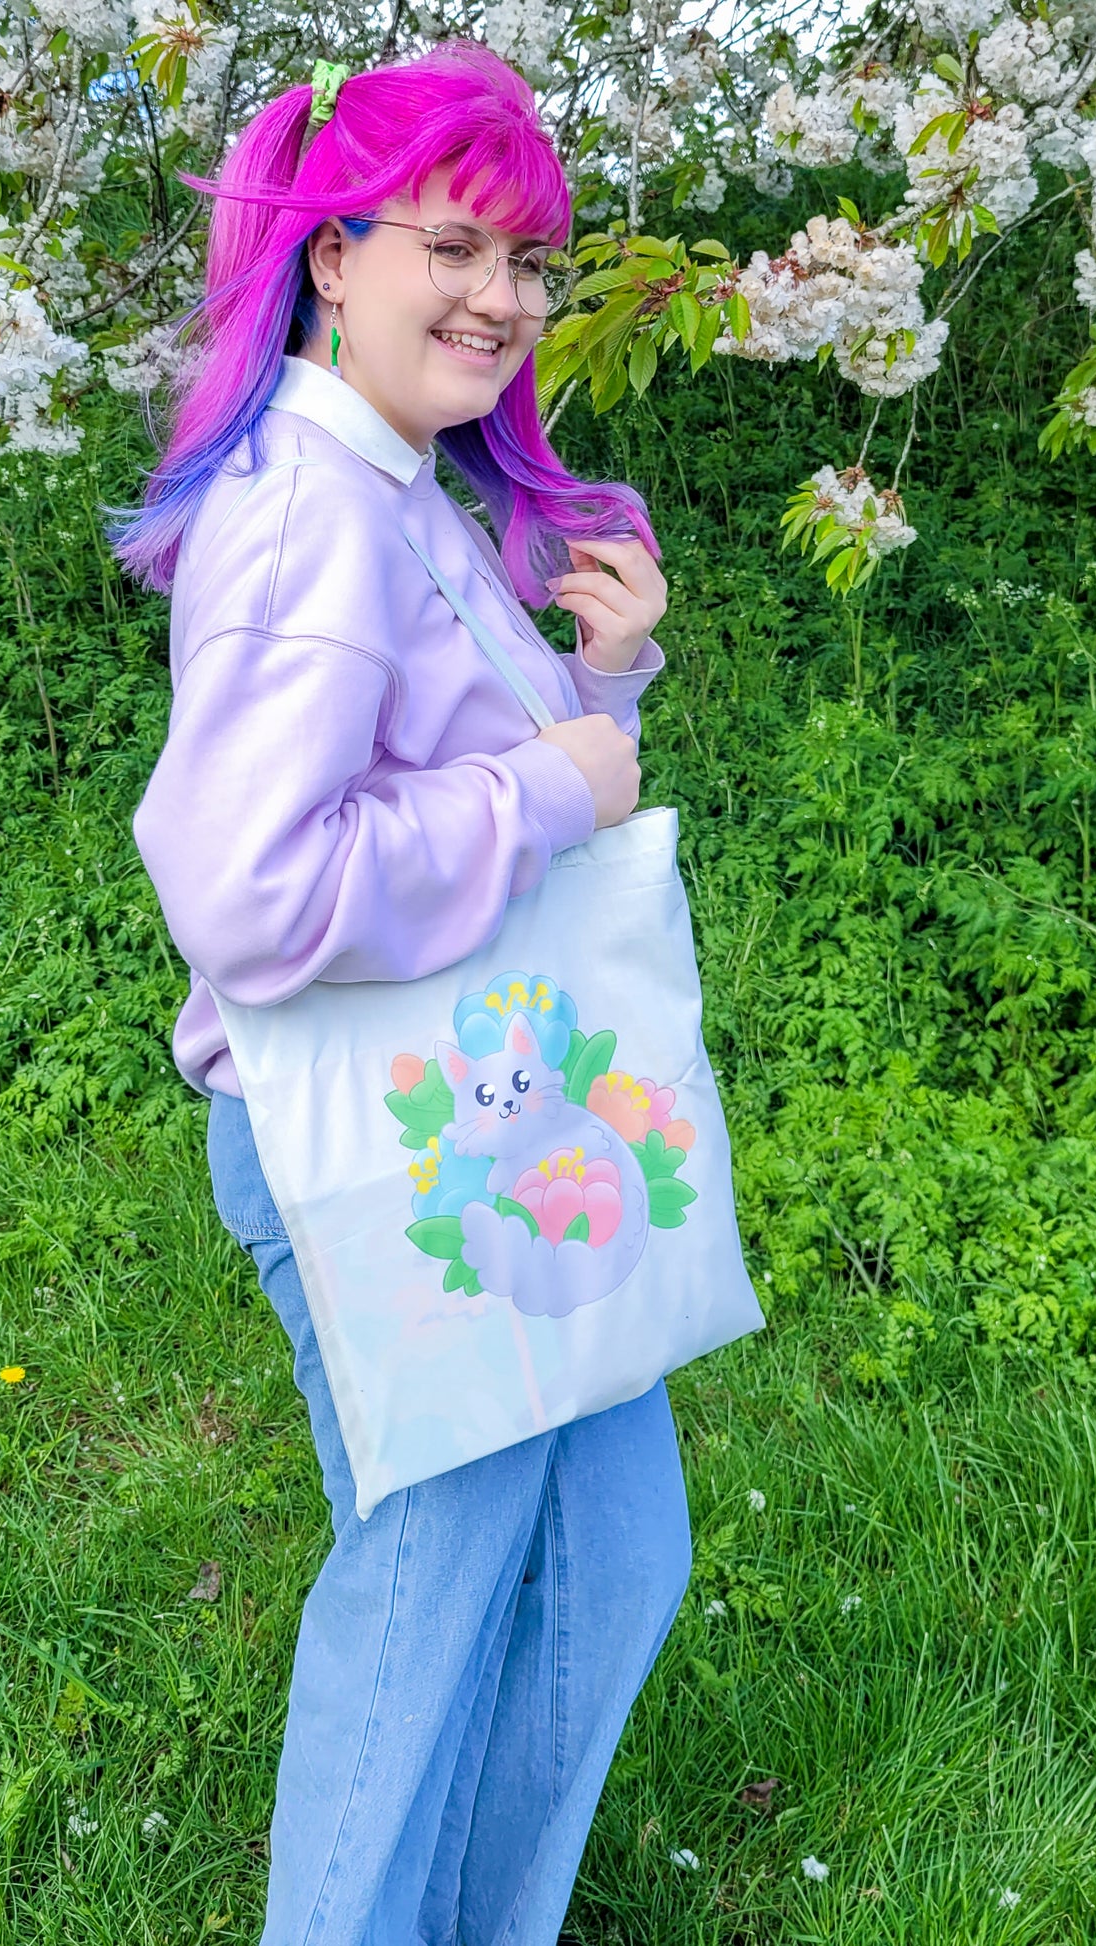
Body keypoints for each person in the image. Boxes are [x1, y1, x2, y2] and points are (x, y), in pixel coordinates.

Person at [116, 40, 692, 1946]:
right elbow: (253, 892)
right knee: (434, 1575)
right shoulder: (309, 511)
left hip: (488, 1115)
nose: (503, 299)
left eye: (527, 260)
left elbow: (476, 809)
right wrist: (556, 778)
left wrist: (597, 689)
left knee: (610, 1555)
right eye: (454, 243)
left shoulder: (393, 483)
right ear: (330, 258)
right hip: (364, 1135)